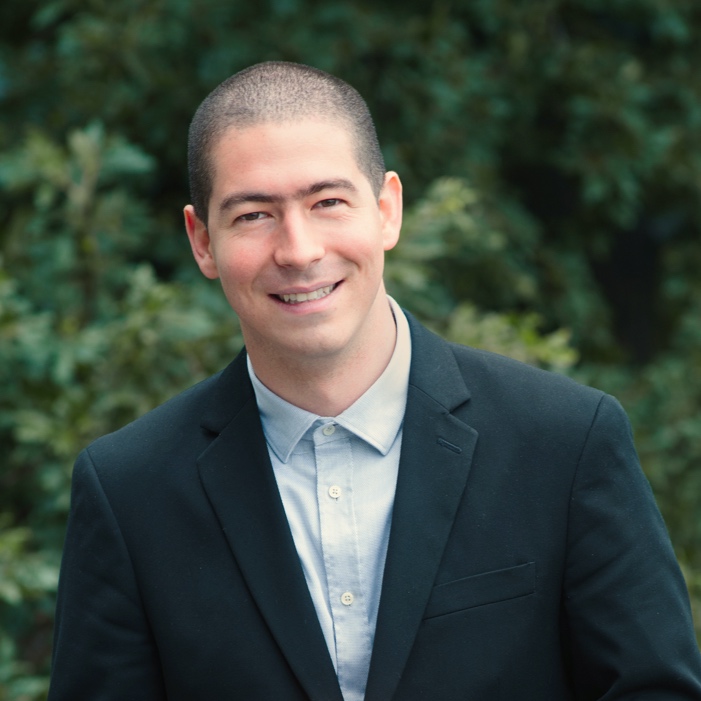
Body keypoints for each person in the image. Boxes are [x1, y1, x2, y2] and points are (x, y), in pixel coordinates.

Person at [49, 61, 701, 701]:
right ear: (201, 241)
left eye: (327, 201)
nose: (299, 249)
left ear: (386, 208)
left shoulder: (564, 442)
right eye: (253, 214)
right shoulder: (127, 490)